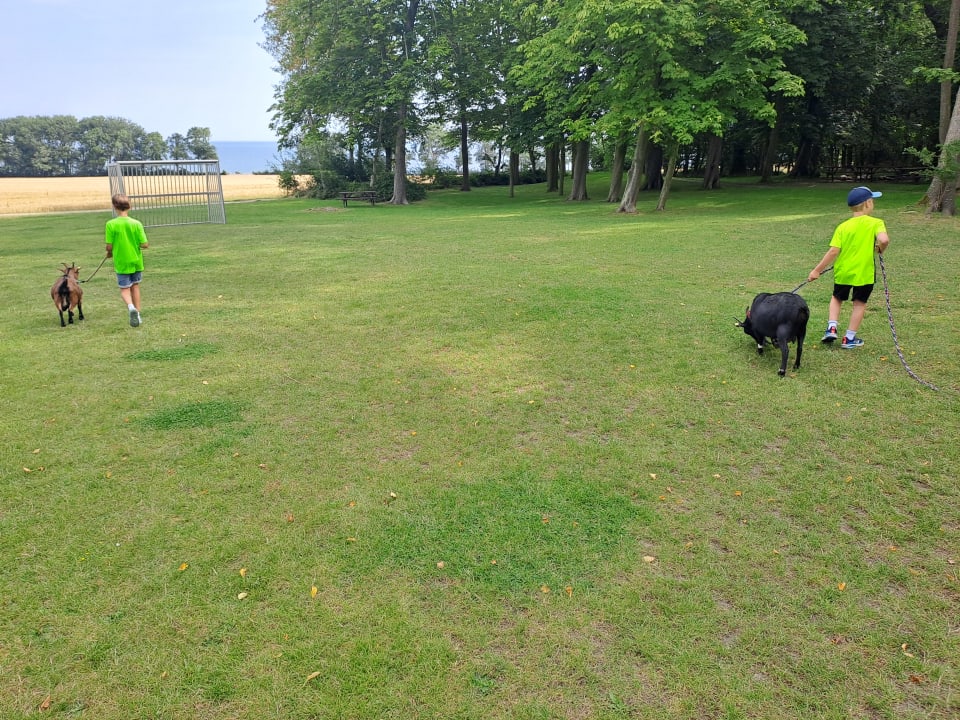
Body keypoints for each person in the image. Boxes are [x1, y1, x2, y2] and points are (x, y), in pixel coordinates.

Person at [807, 185, 890, 349]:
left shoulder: (843, 226)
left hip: (843, 271)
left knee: (837, 298)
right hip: (864, 273)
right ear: (867, 203)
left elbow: (833, 251)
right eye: (872, 200)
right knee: (859, 303)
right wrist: (881, 248)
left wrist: (817, 270)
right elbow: (884, 240)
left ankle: (832, 328)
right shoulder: (876, 223)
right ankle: (849, 338)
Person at [105, 193, 149, 327]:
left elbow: (109, 246)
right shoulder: (136, 223)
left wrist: (109, 253)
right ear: (129, 206)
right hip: (136, 261)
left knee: (124, 289)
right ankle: (138, 314)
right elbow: (145, 244)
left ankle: (131, 307)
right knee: (135, 286)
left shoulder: (111, 224)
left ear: (114, 207)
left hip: (121, 262)